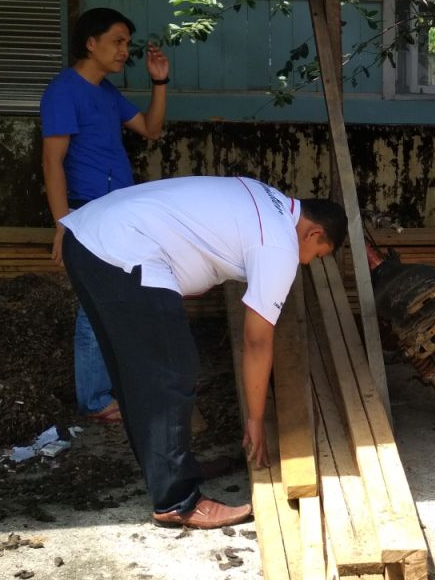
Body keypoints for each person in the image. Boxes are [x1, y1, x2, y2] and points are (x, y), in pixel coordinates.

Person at [59, 175, 347, 527]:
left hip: (89, 238)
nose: (307, 264)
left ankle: (170, 470)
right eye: (317, 255)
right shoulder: (280, 245)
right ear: (314, 233)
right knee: (171, 371)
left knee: (136, 373)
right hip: (123, 250)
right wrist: (256, 419)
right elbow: (256, 341)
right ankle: (178, 500)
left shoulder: (265, 196)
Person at [40, 8, 169, 424]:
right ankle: (95, 399)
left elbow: (150, 129)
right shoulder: (64, 91)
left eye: (127, 43)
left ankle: (112, 386)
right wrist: (63, 223)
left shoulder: (107, 92)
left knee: (122, 299)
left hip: (119, 213)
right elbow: (52, 161)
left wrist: (160, 81)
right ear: (90, 43)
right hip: (89, 214)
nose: (124, 50)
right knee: (96, 304)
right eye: (117, 41)